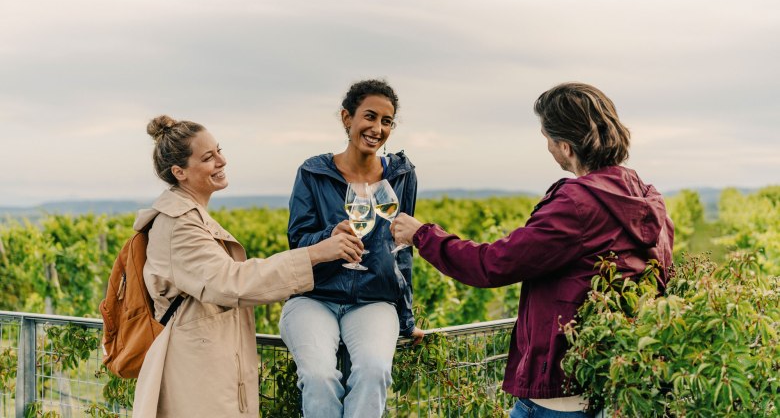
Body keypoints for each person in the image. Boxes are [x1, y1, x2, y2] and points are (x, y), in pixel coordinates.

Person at [391, 82, 674, 418]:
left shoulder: (577, 204)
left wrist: (422, 235)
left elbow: (492, 264)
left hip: (559, 392)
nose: (548, 148)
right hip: (617, 383)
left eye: (547, 139)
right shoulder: (647, 198)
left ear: (566, 146)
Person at [131, 115, 363, 417]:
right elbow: (230, 282)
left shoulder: (189, 216)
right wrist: (314, 254)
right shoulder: (178, 226)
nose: (221, 160)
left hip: (206, 366)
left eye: (219, 150)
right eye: (208, 157)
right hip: (195, 374)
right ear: (180, 172)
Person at [280, 79, 424, 418]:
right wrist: (330, 239)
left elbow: (402, 252)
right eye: (370, 117)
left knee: (375, 372)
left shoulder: (403, 175)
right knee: (318, 377)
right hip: (314, 297)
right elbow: (298, 242)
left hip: (374, 299)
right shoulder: (313, 172)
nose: (377, 128)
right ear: (347, 117)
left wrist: (406, 319)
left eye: (386, 121)